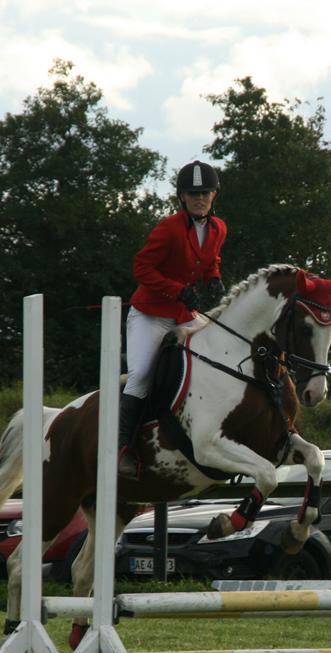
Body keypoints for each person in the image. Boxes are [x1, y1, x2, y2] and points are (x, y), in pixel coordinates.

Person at [119, 160, 226, 478]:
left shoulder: (219, 228)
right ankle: (123, 448)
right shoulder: (168, 228)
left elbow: (210, 260)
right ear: (182, 197)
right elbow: (141, 269)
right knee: (140, 374)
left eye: (205, 192)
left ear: (213, 196)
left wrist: (214, 278)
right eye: (193, 193)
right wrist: (177, 289)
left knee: (217, 356)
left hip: (182, 315)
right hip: (150, 314)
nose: (200, 198)